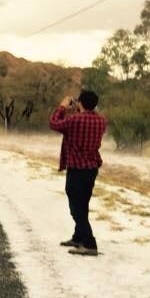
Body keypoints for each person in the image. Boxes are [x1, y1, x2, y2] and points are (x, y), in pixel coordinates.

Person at [49, 89, 108, 256]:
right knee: (83, 203)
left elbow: (54, 123)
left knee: (76, 207)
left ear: (80, 102)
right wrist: (78, 109)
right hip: (91, 168)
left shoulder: (74, 120)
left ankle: (89, 243)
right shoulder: (101, 121)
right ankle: (79, 237)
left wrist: (62, 107)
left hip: (76, 167)